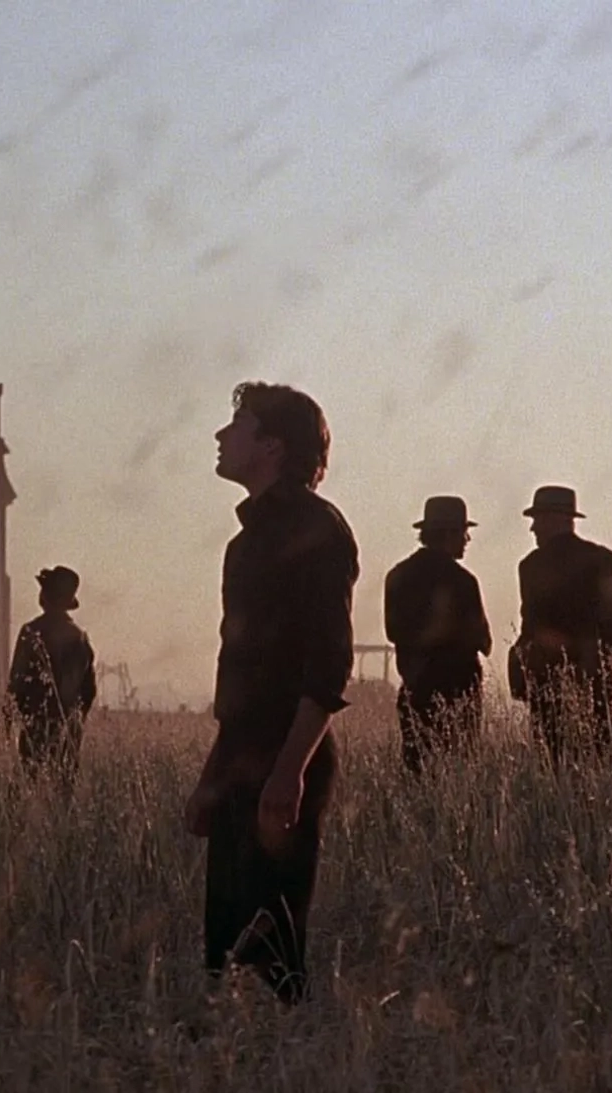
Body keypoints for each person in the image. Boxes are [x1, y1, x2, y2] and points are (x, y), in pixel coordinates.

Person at [185, 381, 358, 1005]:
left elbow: (327, 666)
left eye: (237, 425)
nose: (220, 437)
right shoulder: (243, 543)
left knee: (272, 960)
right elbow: (244, 680)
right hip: (243, 755)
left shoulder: (317, 531)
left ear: (273, 446)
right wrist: (214, 775)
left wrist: (288, 774)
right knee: (226, 956)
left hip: (289, 754)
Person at [508, 485, 612, 762]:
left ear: (555, 520)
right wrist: (602, 657)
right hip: (596, 680)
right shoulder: (607, 561)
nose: (533, 529)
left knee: (552, 760)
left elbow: (530, 626)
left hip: (545, 680)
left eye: (538, 519)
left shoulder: (531, 566)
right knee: (599, 756)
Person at [383, 495, 492, 774]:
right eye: (463, 532)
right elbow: (483, 641)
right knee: (457, 776)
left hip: (415, 693)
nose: (467, 540)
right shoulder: (463, 581)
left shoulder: (397, 576)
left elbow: (393, 631)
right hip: (458, 697)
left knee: (417, 776)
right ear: (449, 533)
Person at [6, 565, 98, 794]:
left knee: (25, 787)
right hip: (69, 728)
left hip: (35, 725)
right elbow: (89, 691)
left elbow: (16, 680)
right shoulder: (80, 637)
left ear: (46, 597)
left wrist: (11, 716)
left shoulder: (31, 632)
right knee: (63, 792)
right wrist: (76, 720)